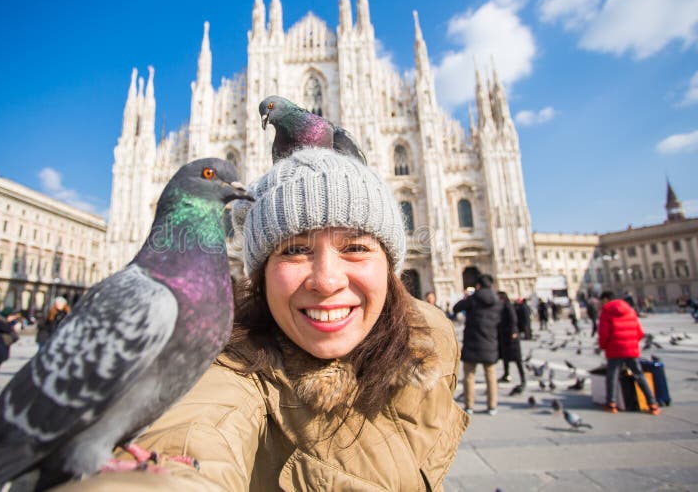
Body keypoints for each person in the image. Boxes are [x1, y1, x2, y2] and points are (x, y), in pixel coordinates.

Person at [63, 148, 468, 490]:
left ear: (390, 265)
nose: (326, 281)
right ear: (259, 273)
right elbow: (194, 435)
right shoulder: (226, 371)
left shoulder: (429, 343)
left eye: (356, 247)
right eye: (293, 250)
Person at [598, 291, 660, 415]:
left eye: (601, 300)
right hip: (631, 349)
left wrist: (604, 346)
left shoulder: (606, 312)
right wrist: (631, 342)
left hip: (614, 349)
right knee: (639, 375)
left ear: (606, 299)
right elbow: (640, 332)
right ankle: (652, 404)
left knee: (612, 376)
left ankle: (611, 404)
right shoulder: (630, 310)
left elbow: (604, 333)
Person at [453, 274, 502, 416]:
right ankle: (492, 406)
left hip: (472, 342)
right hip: (490, 341)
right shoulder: (496, 301)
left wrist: (466, 297)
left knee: (469, 375)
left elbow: (456, 308)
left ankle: (469, 405)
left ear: (478, 286)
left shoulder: (473, 299)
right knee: (491, 375)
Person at [497, 291, 525, 389]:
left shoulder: (508, 306)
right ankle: (506, 374)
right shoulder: (502, 306)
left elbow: (513, 319)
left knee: (517, 359)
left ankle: (523, 378)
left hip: (511, 336)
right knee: (505, 357)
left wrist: (514, 332)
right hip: (504, 336)